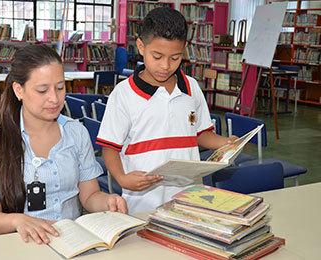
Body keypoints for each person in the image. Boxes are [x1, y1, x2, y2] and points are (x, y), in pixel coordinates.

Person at [0, 45, 127, 244]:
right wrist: (18, 220)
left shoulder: (76, 133)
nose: (54, 98)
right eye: (42, 90)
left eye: (60, 87)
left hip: (71, 243)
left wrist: (108, 201)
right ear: (19, 90)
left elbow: (90, 196)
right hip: (21, 245)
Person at [96, 7, 236, 214]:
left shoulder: (191, 88)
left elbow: (201, 135)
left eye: (175, 58)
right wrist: (122, 178)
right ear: (141, 47)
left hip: (189, 198)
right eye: (157, 56)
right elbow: (110, 148)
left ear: (184, 50)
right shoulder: (123, 94)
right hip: (143, 203)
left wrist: (226, 143)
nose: (165, 66)